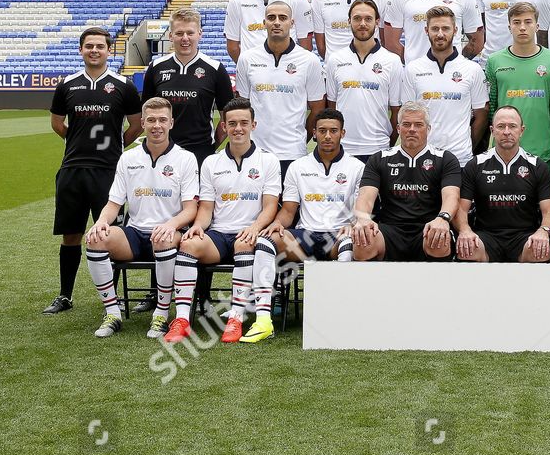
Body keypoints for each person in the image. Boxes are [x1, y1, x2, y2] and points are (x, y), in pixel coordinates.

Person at [167, 98, 283, 346]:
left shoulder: (268, 160)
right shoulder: (212, 162)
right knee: (188, 245)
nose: (238, 128)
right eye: (232, 124)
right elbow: (206, 208)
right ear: (224, 127)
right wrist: (198, 225)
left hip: (251, 233)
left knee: (243, 243)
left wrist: (254, 228)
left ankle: (236, 318)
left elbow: (271, 206)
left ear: (254, 124)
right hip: (219, 234)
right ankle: (182, 320)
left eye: (243, 123)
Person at [44, 26, 142, 316]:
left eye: (100, 46)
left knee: (108, 233)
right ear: (81, 50)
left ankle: (109, 301)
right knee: (71, 234)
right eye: (89, 46)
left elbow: (135, 126)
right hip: (73, 169)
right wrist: (77, 142)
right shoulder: (67, 85)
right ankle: (65, 295)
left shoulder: (123, 85)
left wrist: (113, 147)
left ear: (109, 50)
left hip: (108, 172)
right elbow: (57, 123)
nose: (95, 50)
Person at [83, 98, 199, 339]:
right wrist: (102, 221)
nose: (157, 125)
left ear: (171, 123)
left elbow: (191, 209)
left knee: (163, 239)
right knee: (95, 239)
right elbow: (114, 203)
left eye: (162, 120)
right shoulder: (128, 158)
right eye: (152, 120)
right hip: (134, 234)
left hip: (169, 234)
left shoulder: (185, 158)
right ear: (143, 122)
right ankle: (113, 312)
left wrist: (171, 224)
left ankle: (161, 314)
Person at [350, 102, 463, 262]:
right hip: (390, 229)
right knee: (363, 238)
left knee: (438, 237)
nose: (412, 129)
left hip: (428, 227)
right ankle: (373, 287)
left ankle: (436, 287)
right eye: (406, 124)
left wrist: (443, 219)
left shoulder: (445, 159)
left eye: (418, 125)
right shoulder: (379, 158)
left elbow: (452, 197)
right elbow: (365, 197)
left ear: (428, 129)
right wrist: (363, 219)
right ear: (398, 128)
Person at [263, 108, 365, 266]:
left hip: (339, 235)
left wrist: (353, 225)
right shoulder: (297, 166)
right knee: (266, 241)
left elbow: (362, 210)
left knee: (350, 244)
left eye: (333, 131)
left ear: (342, 133)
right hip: (304, 237)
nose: (328, 136)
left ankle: (340, 290)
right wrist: (277, 222)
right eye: (322, 131)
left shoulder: (357, 167)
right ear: (314, 133)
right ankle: (262, 291)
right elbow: (289, 211)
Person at [454, 106, 550, 263]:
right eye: (501, 126)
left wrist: (543, 231)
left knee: (539, 251)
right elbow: (461, 207)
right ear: (492, 130)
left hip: (525, 236)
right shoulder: (475, 165)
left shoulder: (537, 166)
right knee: (468, 249)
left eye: (512, 126)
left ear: (522, 130)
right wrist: (465, 230)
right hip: (486, 236)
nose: (507, 131)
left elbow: (549, 210)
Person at [233, 1, 326, 160]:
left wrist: (300, 139)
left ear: (292, 23)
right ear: (264, 23)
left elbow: (317, 110)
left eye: (282, 18)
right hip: (255, 153)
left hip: (293, 153)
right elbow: (241, 109)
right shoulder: (247, 59)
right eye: (271, 17)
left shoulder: (309, 60)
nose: (276, 22)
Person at [141, 7, 233, 160]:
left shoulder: (215, 69)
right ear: (170, 36)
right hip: (161, 152)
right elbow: (145, 114)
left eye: (190, 33)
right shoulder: (156, 67)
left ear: (200, 34)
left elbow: (227, 118)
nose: (185, 38)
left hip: (200, 153)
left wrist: (211, 146)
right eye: (179, 33)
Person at [400, 6, 488, 165]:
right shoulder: (413, 69)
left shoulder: (472, 70)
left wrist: (467, 146)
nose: (440, 34)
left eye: (445, 28)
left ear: (455, 30)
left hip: (460, 159)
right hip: (422, 159)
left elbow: (481, 115)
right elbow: (407, 116)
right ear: (426, 30)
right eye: (435, 28)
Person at [323, 0, 405, 161]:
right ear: (349, 21)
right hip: (343, 149)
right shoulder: (335, 60)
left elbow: (397, 111)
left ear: (377, 22)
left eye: (368, 19)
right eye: (357, 18)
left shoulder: (392, 61)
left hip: (379, 149)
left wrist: (386, 143)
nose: (362, 23)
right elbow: (332, 108)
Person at [485, 2, 550, 165]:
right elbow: (493, 106)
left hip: (542, 150)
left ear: (537, 26)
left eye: (528, 22)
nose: (522, 27)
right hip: (504, 150)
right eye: (516, 22)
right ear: (509, 27)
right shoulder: (494, 61)